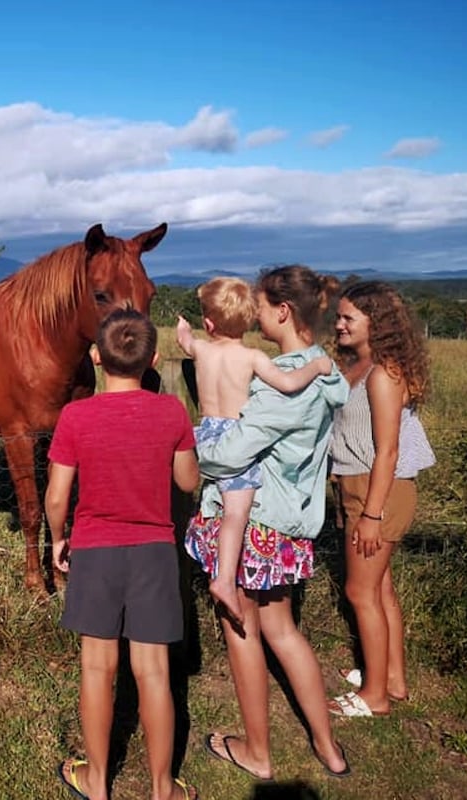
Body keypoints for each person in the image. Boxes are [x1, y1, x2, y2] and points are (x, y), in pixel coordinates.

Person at [184, 265, 352, 781]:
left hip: (255, 521)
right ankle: (328, 747)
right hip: (293, 518)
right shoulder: (320, 375)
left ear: (282, 311)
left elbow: (232, 451)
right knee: (285, 631)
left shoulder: (286, 387)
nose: (254, 314)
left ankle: (257, 751)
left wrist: (185, 449)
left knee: (242, 629)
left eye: (259, 306)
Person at [46, 308, 200, 800]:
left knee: (97, 667)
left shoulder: (75, 416)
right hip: (154, 549)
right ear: (153, 358)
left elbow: (56, 496)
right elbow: (188, 480)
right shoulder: (171, 411)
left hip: (94, 548)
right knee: (153, 671)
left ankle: (96, 781)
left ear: (95, 357)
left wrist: (56, 539)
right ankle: (162, 788)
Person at [176, 276, 333, 627]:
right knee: (236, 515)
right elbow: (289, 383)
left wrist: (184, 330)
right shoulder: (251, 357)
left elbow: (186, 342)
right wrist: (318, 366)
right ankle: (224, 580)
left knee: (215, 505)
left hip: (207, 436)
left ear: (209, 322)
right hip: (237, 441)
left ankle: (212, 570)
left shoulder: (201, 349)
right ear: (248, 320)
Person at [329, 281, 435, 717]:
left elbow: (388, 450)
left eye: (348, 318)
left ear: (377, 324)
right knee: (381, 587)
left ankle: (374, 698)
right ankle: (391, 677)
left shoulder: (383, 374)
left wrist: (372, 514)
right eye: (338, 316)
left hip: (378, 491)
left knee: (360, 591)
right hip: (358, 486)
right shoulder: (360, 365)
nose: (338, 324)